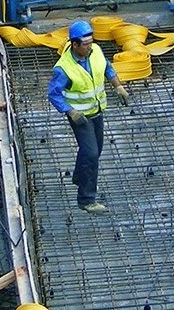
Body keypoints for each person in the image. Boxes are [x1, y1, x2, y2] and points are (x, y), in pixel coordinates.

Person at [48, 19, 128, 212]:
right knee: (91, 154)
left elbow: (107, 67)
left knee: (95, 150)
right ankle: (86, 200)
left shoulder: (96, 52)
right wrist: (70, 111)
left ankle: (79, 177)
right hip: (80, 117)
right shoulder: (64, 68)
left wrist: (118, 86)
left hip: (97, 111)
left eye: (91, 42)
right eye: (85, 44)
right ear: (74, 45)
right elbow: (53, 94)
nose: (90, 46)